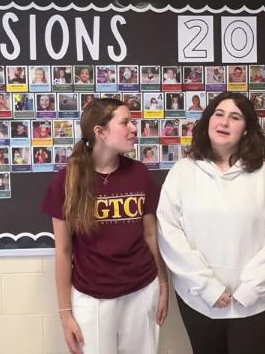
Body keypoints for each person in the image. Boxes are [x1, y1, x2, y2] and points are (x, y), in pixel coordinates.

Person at [156, 91, 265, 354]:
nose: (224, 122)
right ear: (208, 121)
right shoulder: (183, 173)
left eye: (235, 117)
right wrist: (208, 287)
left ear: (246, 130)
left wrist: (251, 288)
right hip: (200, 301)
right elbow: (169, 234)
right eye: (218, 114)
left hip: (255, 303)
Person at [41, 98, 168, 354]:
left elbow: (151, 235)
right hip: (92, 296)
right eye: (125, 122)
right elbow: (63, 251)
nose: (134, 128)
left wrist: (163, 284)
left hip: (142, 290)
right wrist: (65, 314)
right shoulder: (67, 181)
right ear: (100, 131)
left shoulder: (140, 174)